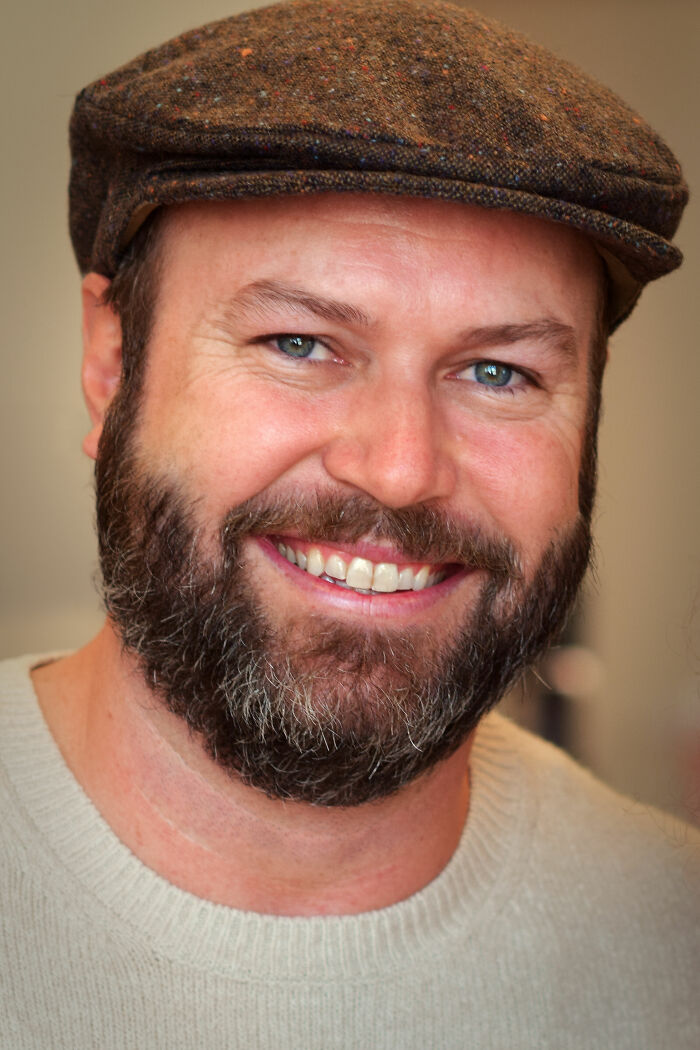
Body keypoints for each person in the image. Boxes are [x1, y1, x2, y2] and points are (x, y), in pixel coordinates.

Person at [2, 1, 698, 1047]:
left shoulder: (672, 940)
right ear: (111, 363)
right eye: (298, 342)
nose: (403, 470)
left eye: (498, 371)